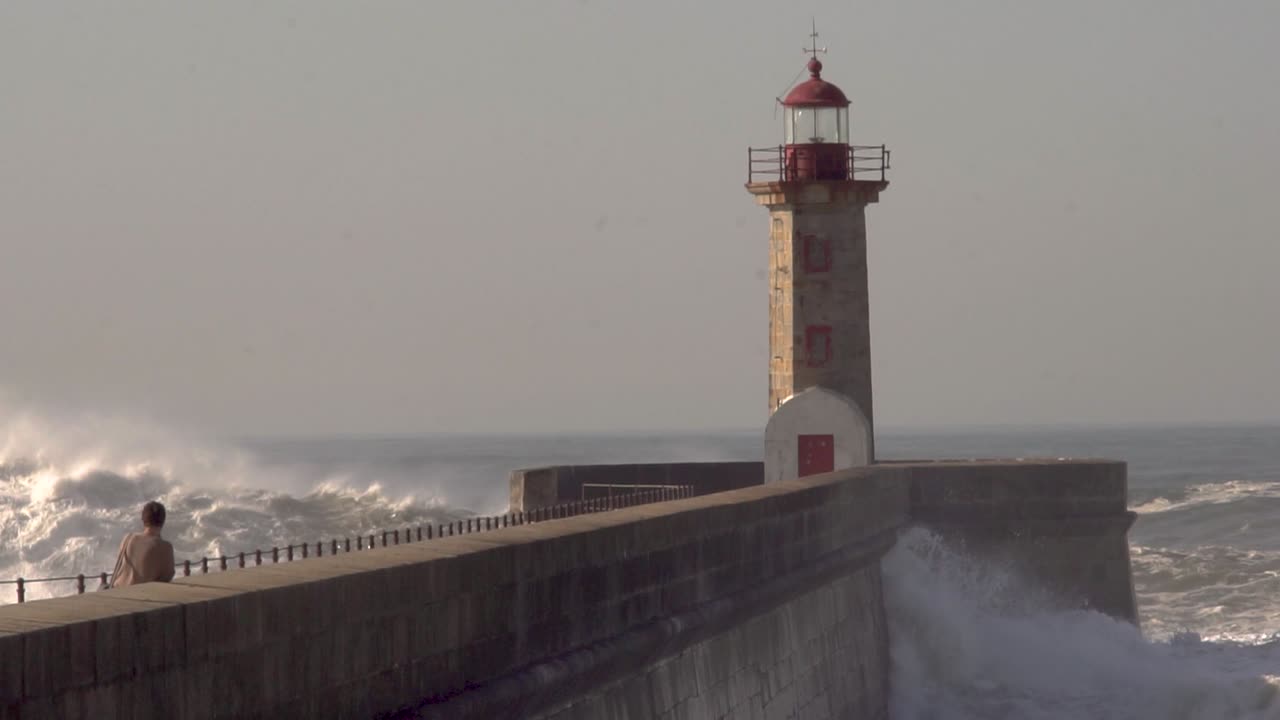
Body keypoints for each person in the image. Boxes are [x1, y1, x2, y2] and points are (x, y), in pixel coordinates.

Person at [109, 500, 176, 587]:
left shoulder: (128, 538)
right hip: (141, 596)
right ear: (163, 521)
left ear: (143, 519)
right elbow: (167, 577)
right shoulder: (165, 547)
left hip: (117, 592)